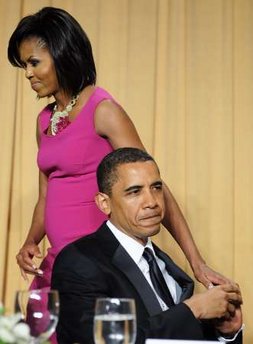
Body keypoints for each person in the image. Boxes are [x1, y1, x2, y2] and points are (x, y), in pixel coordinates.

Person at [8, 6, 230, 292]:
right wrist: (31, 240)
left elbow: (156, 186)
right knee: (37, 333)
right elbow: (46, 195)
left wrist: (196, 262)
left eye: (34, 62)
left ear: (62, 54)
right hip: (58, 263)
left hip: (100, 265)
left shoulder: (103, 111)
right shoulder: (44, 121)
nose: (27, 73)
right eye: (24, 65)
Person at [52, 147, 243, 344]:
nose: (151, 202)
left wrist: (226, 333)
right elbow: (102, 340)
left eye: (156, 188)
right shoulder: (78, 262)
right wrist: (193, 309)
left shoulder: (163, 263)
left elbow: (177, 335)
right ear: (104, 203)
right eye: (134, 192)